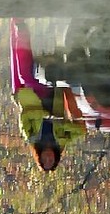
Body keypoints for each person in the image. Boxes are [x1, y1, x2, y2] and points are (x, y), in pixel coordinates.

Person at [9, 18, 85, 170]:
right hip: (53, 94)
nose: (48, 158)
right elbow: (81, 131)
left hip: (32, 93)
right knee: (68, 76)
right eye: (51, 161)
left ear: (40, 157)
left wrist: (43, 115)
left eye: (45, 161)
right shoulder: (62, 140)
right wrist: (62, 123)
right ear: (56, 158)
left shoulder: (31, 137)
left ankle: (21, 29)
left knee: (25, 75)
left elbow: (25, 116)